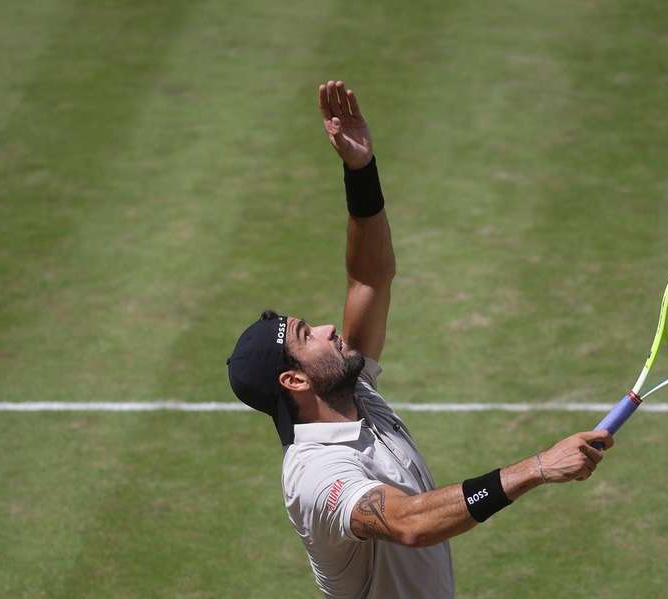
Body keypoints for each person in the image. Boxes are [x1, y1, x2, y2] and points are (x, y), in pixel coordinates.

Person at [226, 80, 614, 599]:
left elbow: (369, 278)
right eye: (306, 334)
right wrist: (538, 468)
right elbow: (408, 522)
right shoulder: (317, 475)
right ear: (294, 378)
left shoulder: (350, 391)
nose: (327, 328)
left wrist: (360, 170)